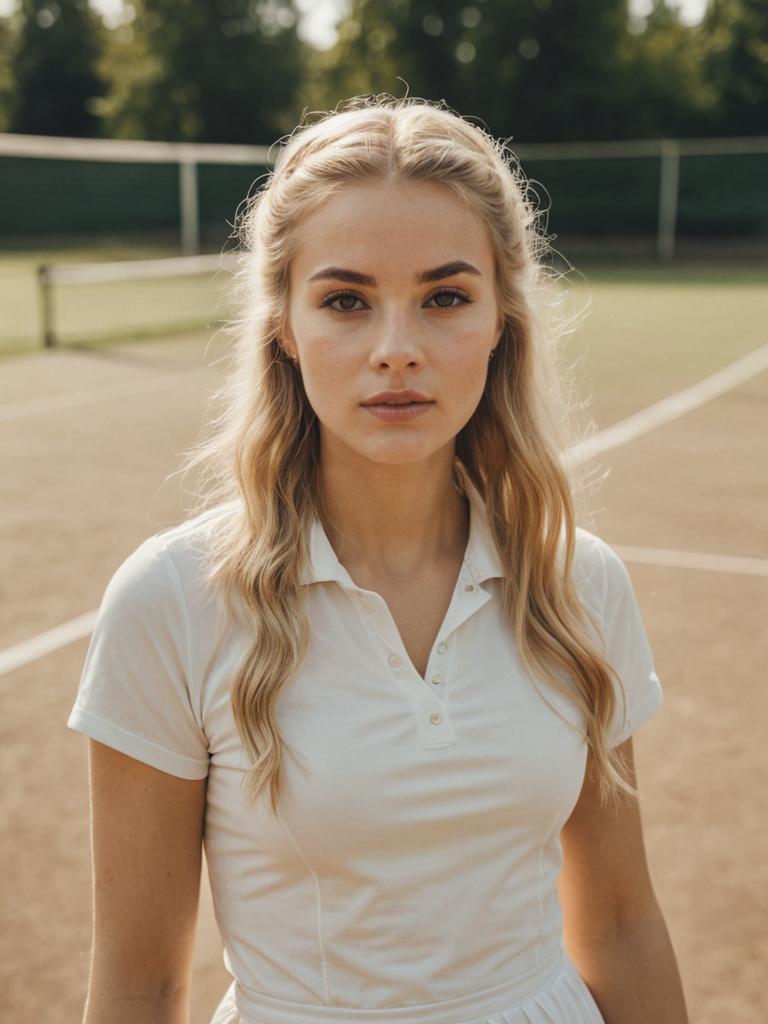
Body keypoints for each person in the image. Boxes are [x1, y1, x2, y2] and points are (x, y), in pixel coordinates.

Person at [67, 95, 688, 1024]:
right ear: (283, 322)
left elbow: (624, 922)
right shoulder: (173, 599)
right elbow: (140, 982)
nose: (396, 351)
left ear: (500, 319)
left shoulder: (577, 581)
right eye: (346, 301)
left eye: (444, 297)